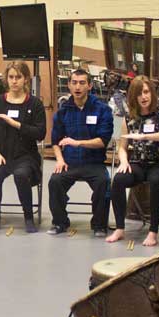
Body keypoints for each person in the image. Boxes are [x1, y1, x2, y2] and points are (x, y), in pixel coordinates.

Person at [106, 76, 159, 247]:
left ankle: (153, 231)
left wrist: (146, 136)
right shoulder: (129, 118)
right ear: (133, 97)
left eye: (146, 92)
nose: (143, 97)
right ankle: (119, 228)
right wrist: (123, 162)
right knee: (118, 180)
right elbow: (122, 147)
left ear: (152, 93)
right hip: (139, 164)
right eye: (139, 94)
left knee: (155, 181)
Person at [47, 69, 113, 236]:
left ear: (89, 85)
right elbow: (55, 141)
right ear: (69, 85)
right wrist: (60, 160)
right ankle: (60, 223)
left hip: (94, 163)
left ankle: (99, 225)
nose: (78, 87)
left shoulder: (102, 110)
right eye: (74, 82)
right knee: (54, 182)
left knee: (103, 182)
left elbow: (102, 141)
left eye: (82, 83)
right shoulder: (62, 112)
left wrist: (78, 143)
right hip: (69, 162)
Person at [0, 61, 46, 233]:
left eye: (18, 77)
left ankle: (28, 217)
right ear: (6, 79)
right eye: (11, 77)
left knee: (21, 175)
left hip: (26, 156)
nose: (14, 81)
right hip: (2, 154)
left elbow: (40, 133)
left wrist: (17, 125)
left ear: (26, 79)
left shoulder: (35, 104)